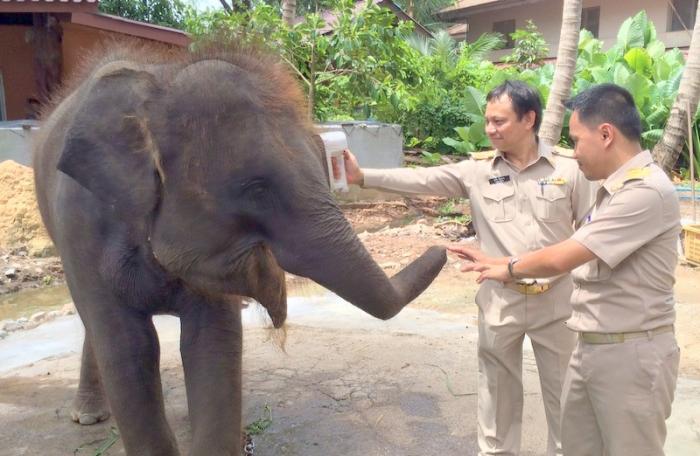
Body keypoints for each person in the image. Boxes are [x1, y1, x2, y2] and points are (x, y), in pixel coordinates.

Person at [342, 80, 596, 456]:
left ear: (529, 119)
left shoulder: (569, 169)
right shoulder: (477, 171)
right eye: (488, 121)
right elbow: (421, 179)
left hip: (556, 301)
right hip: (499, 300)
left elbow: (590, 232)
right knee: (497, 397)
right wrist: (364, 176)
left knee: (564, 397)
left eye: (499, 121)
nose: (490, 129)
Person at [452, 83, 681, 456]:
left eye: (576, 141)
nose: (572, 153)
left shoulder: (645, 192)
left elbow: (563, 257)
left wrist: (508, 267)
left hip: (631, 353)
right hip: (591, 344)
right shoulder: (613, 190)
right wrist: (500, 262)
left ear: (606, 134)